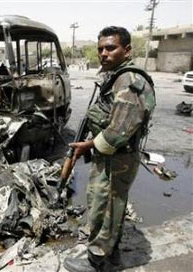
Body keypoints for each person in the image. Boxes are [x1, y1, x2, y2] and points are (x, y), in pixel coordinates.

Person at [63, 26, 156, 272]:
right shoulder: (116, 76)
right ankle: (112, 256)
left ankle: (96, 260)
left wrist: (87, 146)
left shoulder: (129, 81)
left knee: (104, 207)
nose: (104, 53)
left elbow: (117, 132)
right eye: (100, 49)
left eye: (110, 48)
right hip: (111, 155)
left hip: (118, 158)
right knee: (110, 205)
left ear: (127, 50)